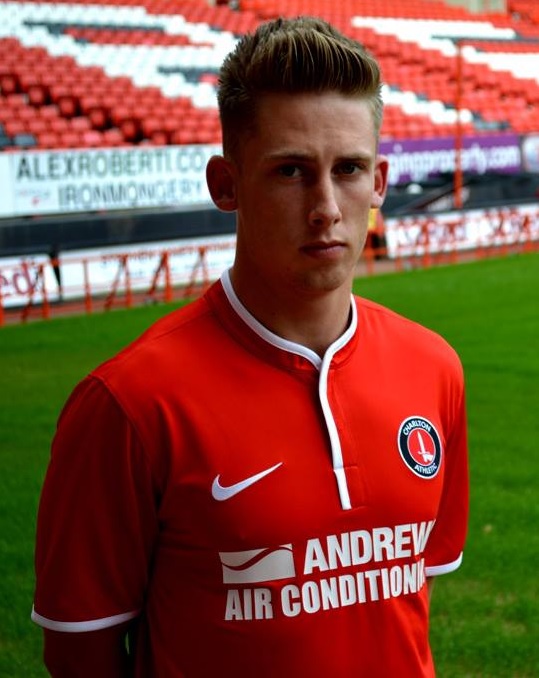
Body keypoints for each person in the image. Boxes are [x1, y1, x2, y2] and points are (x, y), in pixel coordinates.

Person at [32, 16, 469, 677]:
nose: (325, 206)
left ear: (379, 183)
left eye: (348, 169)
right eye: (291, 171)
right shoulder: (127, 404)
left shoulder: (433, 368)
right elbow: (79, 653)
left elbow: (406, 599)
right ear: (225, 185)